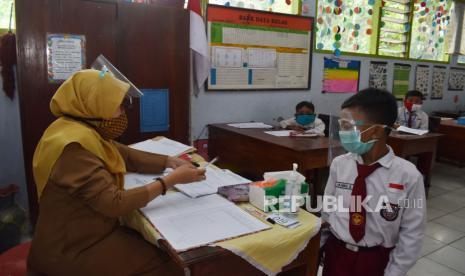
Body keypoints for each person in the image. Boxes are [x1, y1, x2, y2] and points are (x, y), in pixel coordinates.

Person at [28, 69, 206, 275]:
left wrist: (169, 161)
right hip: (72, 249)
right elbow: (114, 203)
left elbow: (125, 155)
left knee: (149, 242)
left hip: (85, 232)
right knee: (170, 262)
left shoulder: (75, 126)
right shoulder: (74, 147)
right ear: (94, 104)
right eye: (117, 105)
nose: (122, 111)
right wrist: (169, 181)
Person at [322, 88, 426, 276]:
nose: (342, 133)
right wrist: (320, 248)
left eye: (348, 126)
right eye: (341, 126)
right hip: (336, 253)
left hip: (376, 259)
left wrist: (394, 271)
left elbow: (412, 233)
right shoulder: (340, 165)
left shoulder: (407, 175)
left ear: (376, 130)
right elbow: (328, 211)